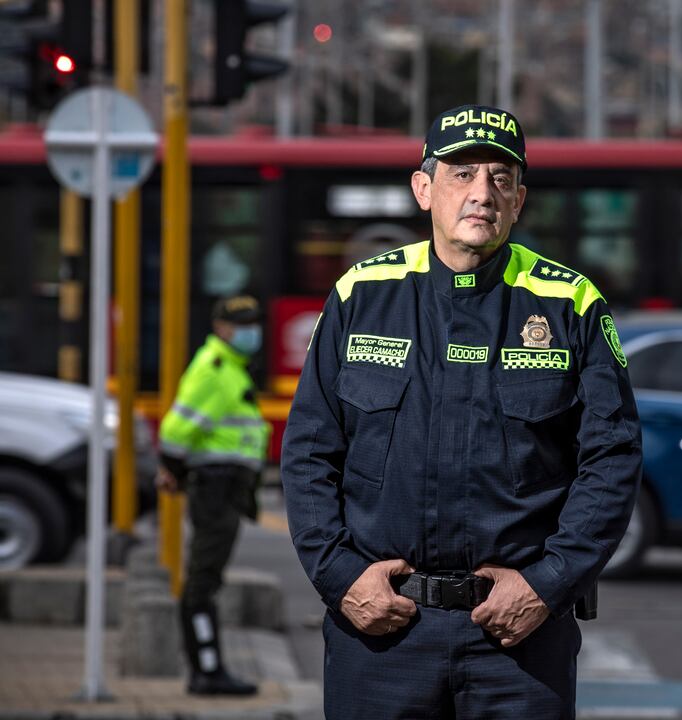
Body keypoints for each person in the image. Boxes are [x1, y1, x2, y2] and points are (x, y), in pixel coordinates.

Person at [281, 104, 642, 719]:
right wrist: (341, 578)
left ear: (520, 198)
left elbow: (611, 460)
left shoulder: (569, 303)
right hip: (382, 632)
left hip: (518, 639)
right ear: (423, 188)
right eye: (462, 173)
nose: (482, 193)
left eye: (501, 178)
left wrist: (548, 584)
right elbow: (309, 452)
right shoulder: (362, 295)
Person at [156, 295, 269, 695]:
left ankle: (209, 668)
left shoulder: (232, 369)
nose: (250, 331)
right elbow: (175, 430)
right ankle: (206, 670)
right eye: (241, 324)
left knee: (206, 579)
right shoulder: (214, 368)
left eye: (254, 322)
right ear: (221, 328)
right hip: (215, 489)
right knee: (202, 582)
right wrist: (173, 468)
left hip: (224, 489)